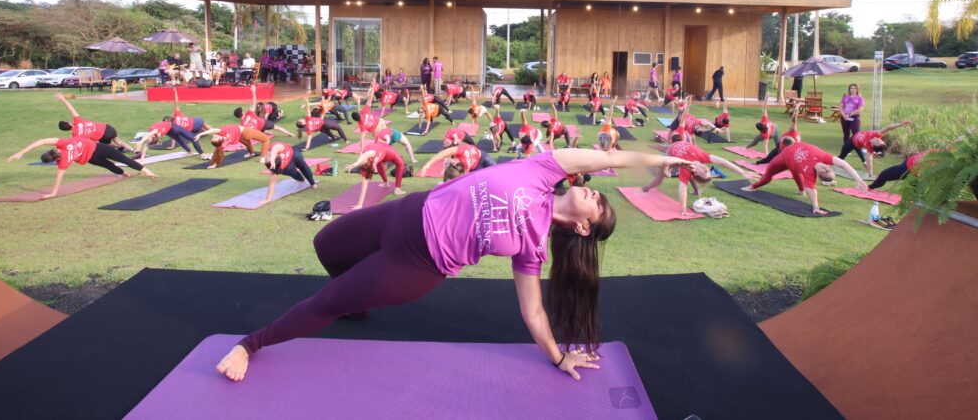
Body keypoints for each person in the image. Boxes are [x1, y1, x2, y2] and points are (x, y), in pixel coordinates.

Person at [214, 148, 696, 383]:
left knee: (327, 302)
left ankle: (250, 345)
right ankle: (356, 298)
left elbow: (532, 311)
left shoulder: (533, 246)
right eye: (598, 193)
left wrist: (558, 356)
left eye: (599, 205)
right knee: (326, 244)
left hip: (416, 263)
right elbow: (611, 155)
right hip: (404, 213)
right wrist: (664, 159)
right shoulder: (544, 170)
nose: (595, 194)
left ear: (585, 228)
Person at [744, 140, 868, 216]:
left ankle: (752, 187)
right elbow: (844, 164)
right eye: (829, 169)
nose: (826, 168)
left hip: (786, 160)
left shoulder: (810, 173)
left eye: (825, 172)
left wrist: (816, 208)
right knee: (769, 175)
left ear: (819, 175)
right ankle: (753, 187)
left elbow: (812, 190)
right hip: (787, 152)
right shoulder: (824, 158)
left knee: (789, 174)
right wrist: (859, 180)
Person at [646, 134, 757, 217]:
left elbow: (682, 189)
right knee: (665, 164)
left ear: (696, 172)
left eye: (703, 172)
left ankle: (646, 187)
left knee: (663, 173)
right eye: (708, 171)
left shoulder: (686, 168)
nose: (706, 168)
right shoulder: (702, 157)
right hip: (678, 145)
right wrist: (742, 172)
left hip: (671, 154)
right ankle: (653, 151)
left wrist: (683, 210)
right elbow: (723, 161)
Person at [8, 136, 156, 198]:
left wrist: (21, 152)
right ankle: (126, 173)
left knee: (119, 160)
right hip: (93, 155)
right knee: (111, 166)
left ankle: (144, 170)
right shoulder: (62, 152)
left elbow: (41, 142)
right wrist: (53, 193)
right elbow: (42, 142)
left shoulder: (62, 152)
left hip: (97, 150)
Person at [54, 93, 133, 150]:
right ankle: (134, 150)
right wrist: (63, 99)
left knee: (107, 145)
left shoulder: (75, 135)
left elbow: (74, 144)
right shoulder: (78, 121)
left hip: (103, 137)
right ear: (68, 123)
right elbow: (71, 109)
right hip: (108, 128)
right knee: (119, 141)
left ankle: (119, 147)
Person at [837, 121, 913, 177]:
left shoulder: (870, 148)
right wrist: (901, 124)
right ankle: (863, 162)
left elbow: (869, 160)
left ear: (874, 146)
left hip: (852, 143)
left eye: (878, 142)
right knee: (842, 157)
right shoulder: (877, 134)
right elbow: (888, 127)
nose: (878, 139)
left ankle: (835, 162)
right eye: (880, 140)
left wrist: (871, 173)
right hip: (855, 139)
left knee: (841, 158)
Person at [345, 141, 406, 210]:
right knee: (379, 163)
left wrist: (355, 164)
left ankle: (397, 188)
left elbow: (364, 155)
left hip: (389, 151)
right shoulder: (367, 165)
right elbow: (364, 186)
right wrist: (360, 204)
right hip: (380, 152)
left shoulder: (370, 153)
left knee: (401, 164)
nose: (361, 158)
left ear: (369, 158)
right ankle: (386, 183)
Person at [197, 123, 270, 167]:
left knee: (247, 142)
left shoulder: (222, 145)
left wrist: (213, 164)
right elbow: (213, 130)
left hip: (239, 136)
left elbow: (217, 153)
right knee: (266, 139)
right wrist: (200, 134)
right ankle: (262, 158)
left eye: (213, 137)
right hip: (245, 132)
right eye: (215, 137)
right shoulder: (222, 132)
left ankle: (251, 153)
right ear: (220, 139)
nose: (214, 136)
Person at [417, 141, 497, 181]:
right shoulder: (465, 168)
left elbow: (442, 154)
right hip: (475, 168)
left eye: (450, 163)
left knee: (497, 171)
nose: (451, 163)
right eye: (451, 165)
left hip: (482, 157)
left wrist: (427, 166)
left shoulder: (459, 151)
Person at [869, 150, 935, 190]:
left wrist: (917, 175)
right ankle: (870, 187)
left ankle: (915, 196)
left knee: (884, 174)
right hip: (907, 164)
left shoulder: (937, 158)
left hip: (909, 168)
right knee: (884, 174)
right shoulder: (937, 152)